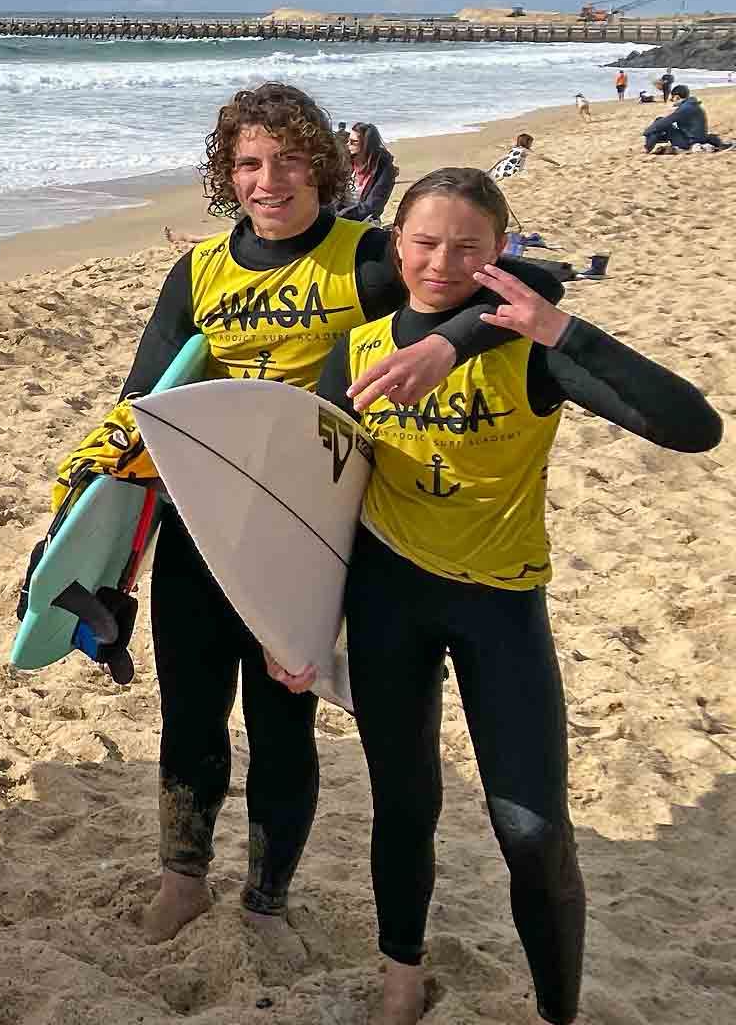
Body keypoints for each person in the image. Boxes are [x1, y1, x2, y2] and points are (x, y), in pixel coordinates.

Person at [65, 81, 561, 959]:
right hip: (202, 522)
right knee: (189, 711)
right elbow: (146, 394)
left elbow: (530, 283)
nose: (271, 179)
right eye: (250, 163)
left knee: (280, 716)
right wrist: (88, 496)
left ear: (323, 165)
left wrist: (446, 343)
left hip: (310, 529)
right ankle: (183, 878)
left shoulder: (369, 256)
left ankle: (266, 898)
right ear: (228, 175)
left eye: (291, 158)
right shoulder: (201, 271)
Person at [295, 168, 720, 1025]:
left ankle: (556, 1010)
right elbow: (312, 498)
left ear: (500, 254)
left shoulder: (533, 351)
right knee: (403, 804)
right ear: (395, 245)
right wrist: (293, 625)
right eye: (422, 242)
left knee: (532, 830)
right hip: (387, 601)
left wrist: (561, 327)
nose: (441, 262)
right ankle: (401, 977)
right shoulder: (357, 352)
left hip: (500, 603)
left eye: (468, 247)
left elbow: (693, 427)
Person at [341, 121, 397, 221]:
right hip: (339, 213)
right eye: (348, 140)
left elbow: (373, 206)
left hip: (364, 219)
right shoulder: (346, 161)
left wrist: (342, 216)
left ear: (366, 144)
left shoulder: (383, 168)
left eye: (354, 142)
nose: (348, 144)